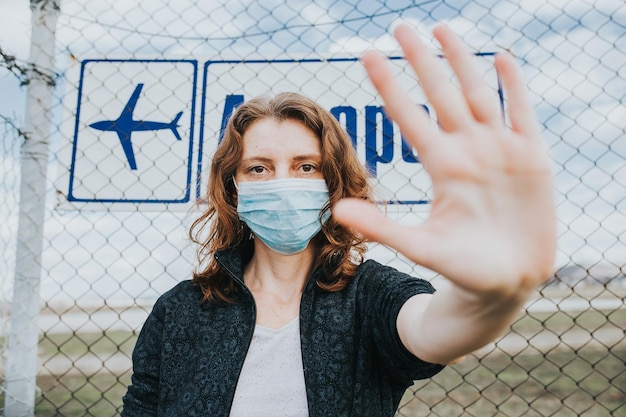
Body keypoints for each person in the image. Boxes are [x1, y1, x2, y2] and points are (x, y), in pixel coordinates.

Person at [121, 23, 556, 417]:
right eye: (259, 168)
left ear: (333, 183)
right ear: (232, 188)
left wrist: (486, 297)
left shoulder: (371, 294)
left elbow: (436, 329)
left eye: (306, 167)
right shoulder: (178, 309)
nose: (283, 183)